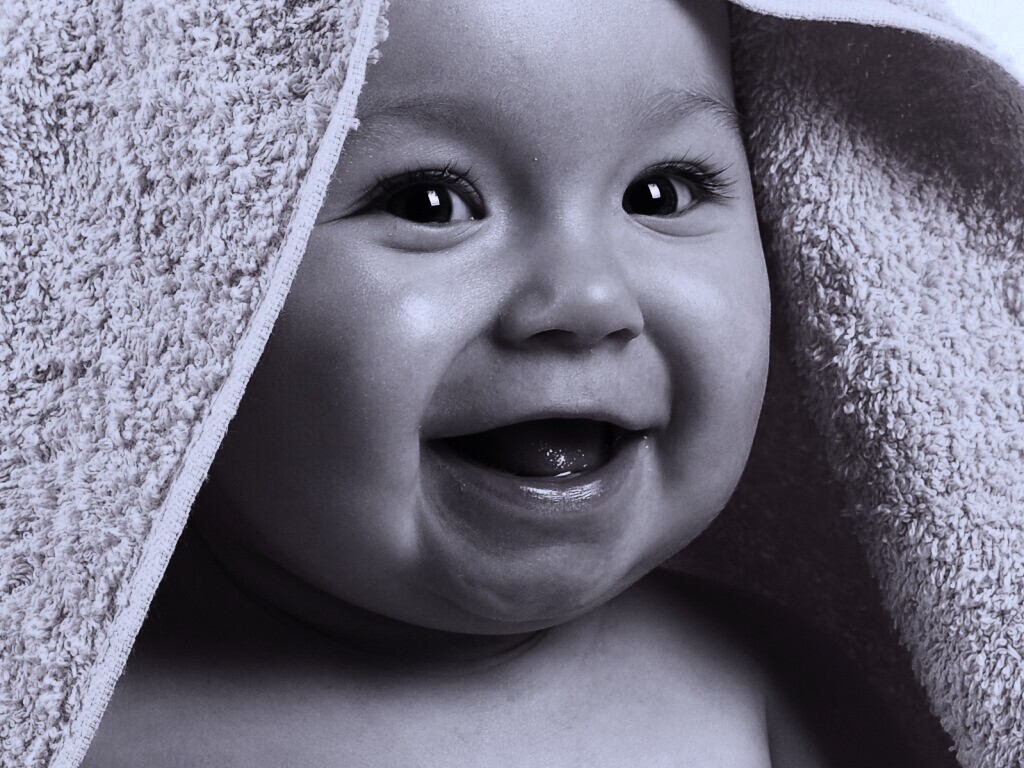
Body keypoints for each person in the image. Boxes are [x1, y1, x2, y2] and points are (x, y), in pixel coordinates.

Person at [79, 0, 918, 765]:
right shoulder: (69, 718)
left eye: (659, 194)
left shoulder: (766, 697)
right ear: (178, 267)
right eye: (429, 202)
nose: (588, 299)